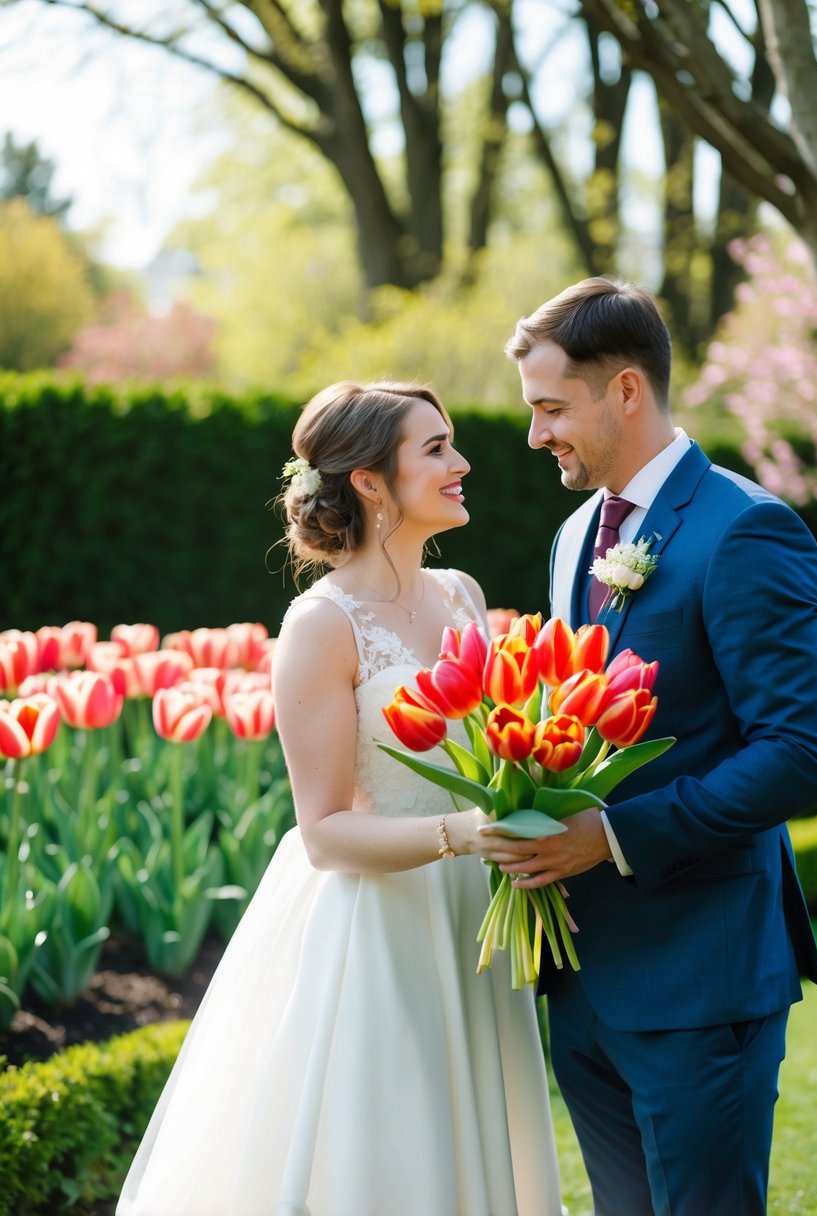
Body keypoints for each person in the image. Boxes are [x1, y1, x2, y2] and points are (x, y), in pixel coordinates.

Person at [116, 381, 563, 1216]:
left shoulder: (463, 596)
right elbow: (322, 832)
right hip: (380, 928)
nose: (461, 463)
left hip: (471, 916)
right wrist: (466, 832)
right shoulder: (320, 625)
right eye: (435, 449)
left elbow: (500, 746)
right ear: (367, 480)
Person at [495, 276, 817, 1216]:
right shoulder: (571, 537)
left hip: (699, 979)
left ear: (627, 390)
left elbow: (804, 752)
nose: (535, 435)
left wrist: (610, 837)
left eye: (551, 408)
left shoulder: (747, 532)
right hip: (584, 980)